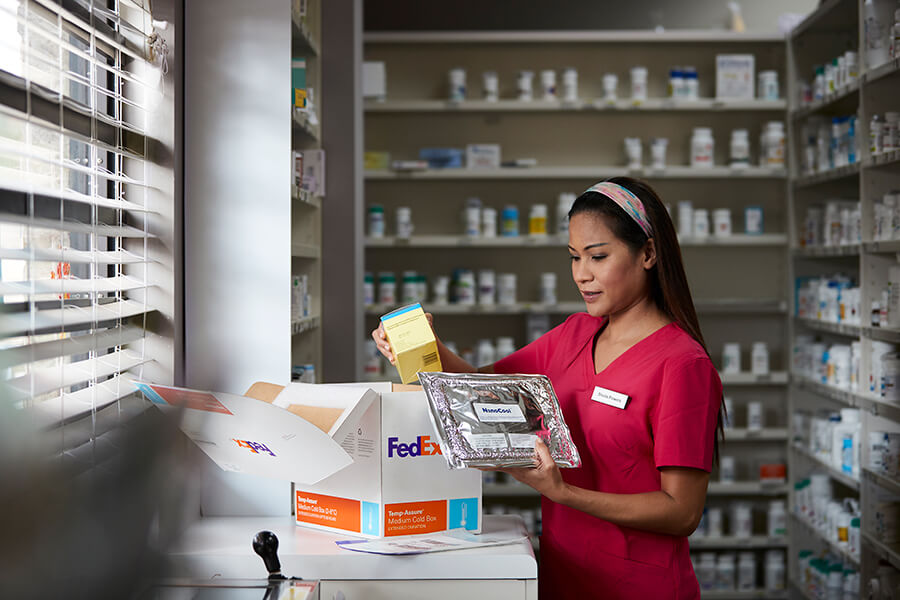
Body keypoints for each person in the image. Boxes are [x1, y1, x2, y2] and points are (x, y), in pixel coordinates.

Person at [372, 176, 723, 599]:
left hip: (639, 585)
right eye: (574, 257)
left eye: (598, 257)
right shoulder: (576, 334)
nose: (582, 275)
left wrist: (563, 493)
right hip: (563, 575)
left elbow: (681, 511)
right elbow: (481, 386)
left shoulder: (683, 364)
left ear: (648, 253)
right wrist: (422, 346)